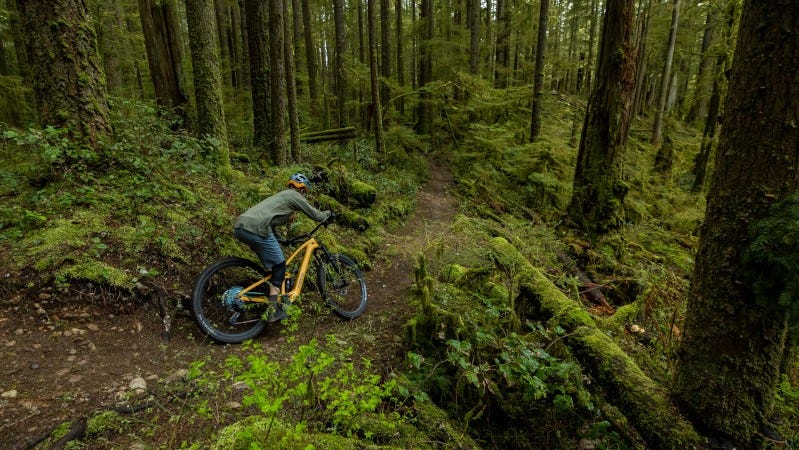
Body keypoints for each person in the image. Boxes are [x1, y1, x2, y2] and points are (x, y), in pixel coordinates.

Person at [233, 172, 332, 322]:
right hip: (257, 228)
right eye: (305, 192)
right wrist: (328, 214)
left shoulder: (280, 197)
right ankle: (273, 309)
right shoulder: (294, 196)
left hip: (242, 226)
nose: (304, 194)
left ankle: (266, 292)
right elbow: (316, 215)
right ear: (302, 189)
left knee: (272, 268)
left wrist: (283, 240)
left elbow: (271, 223)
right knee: (280, 264)